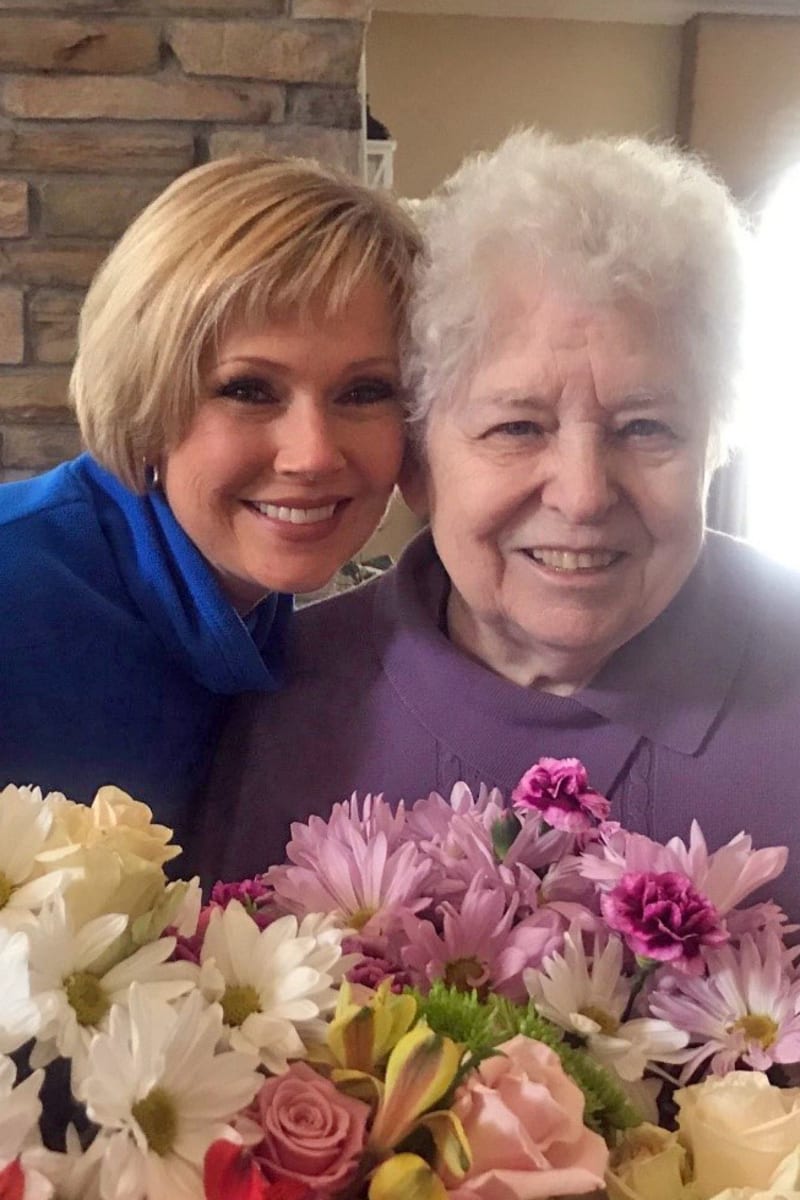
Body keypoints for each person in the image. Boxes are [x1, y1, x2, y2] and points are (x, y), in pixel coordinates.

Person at [198, 130, 800, 917]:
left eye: (647, 428)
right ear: (415, 460)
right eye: (517, 428)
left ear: (714, 448)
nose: (583, 497)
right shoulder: (274, 702)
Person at [0, 154, 421, 849]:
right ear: (145, 394)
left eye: (366, 391)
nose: (312, 453)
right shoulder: (17, 596)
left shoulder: (264, 614)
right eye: (249, 390)